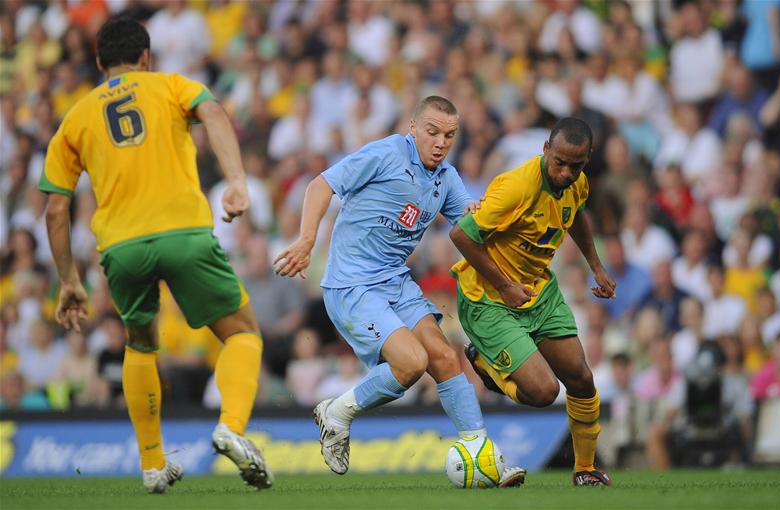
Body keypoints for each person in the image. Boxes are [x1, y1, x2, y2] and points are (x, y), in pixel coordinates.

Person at [39, 18, 272, 493]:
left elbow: (55, 211)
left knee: (140, 343)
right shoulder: (172, 86)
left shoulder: (76, 117)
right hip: (183, 231)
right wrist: (236, 182)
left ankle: (151, 464)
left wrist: (69, 280)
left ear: (100, 62)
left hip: (121, 246)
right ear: (146, 56)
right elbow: (215, 114)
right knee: (242, 332)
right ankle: (230, 425)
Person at [274, 95, 524, 486]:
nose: (441, 142)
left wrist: (510, 275)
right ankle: (336, 413)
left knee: (443, 355)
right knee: (411, 363)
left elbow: (473, 235)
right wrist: (306, 241)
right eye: (433, 132)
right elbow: (320, 185)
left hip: (395, 281)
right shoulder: (386, 154)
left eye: (450, 135)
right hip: (352, 284)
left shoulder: (446, 178)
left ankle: (482, 456)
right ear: (413, 127)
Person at [449, 118, 616, 486]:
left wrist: (596, 266)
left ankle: (585, 470)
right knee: (543, 392)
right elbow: (461, 235)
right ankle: (488, 370)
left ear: (587, 160)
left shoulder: (576, 183)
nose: (567, 172)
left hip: (538, 292)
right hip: (489, 298)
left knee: (582, 377)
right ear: (545, 149)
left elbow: (576, 215)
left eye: (577, 165)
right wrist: (506, 286)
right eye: (560, 162)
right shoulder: (516, 187)